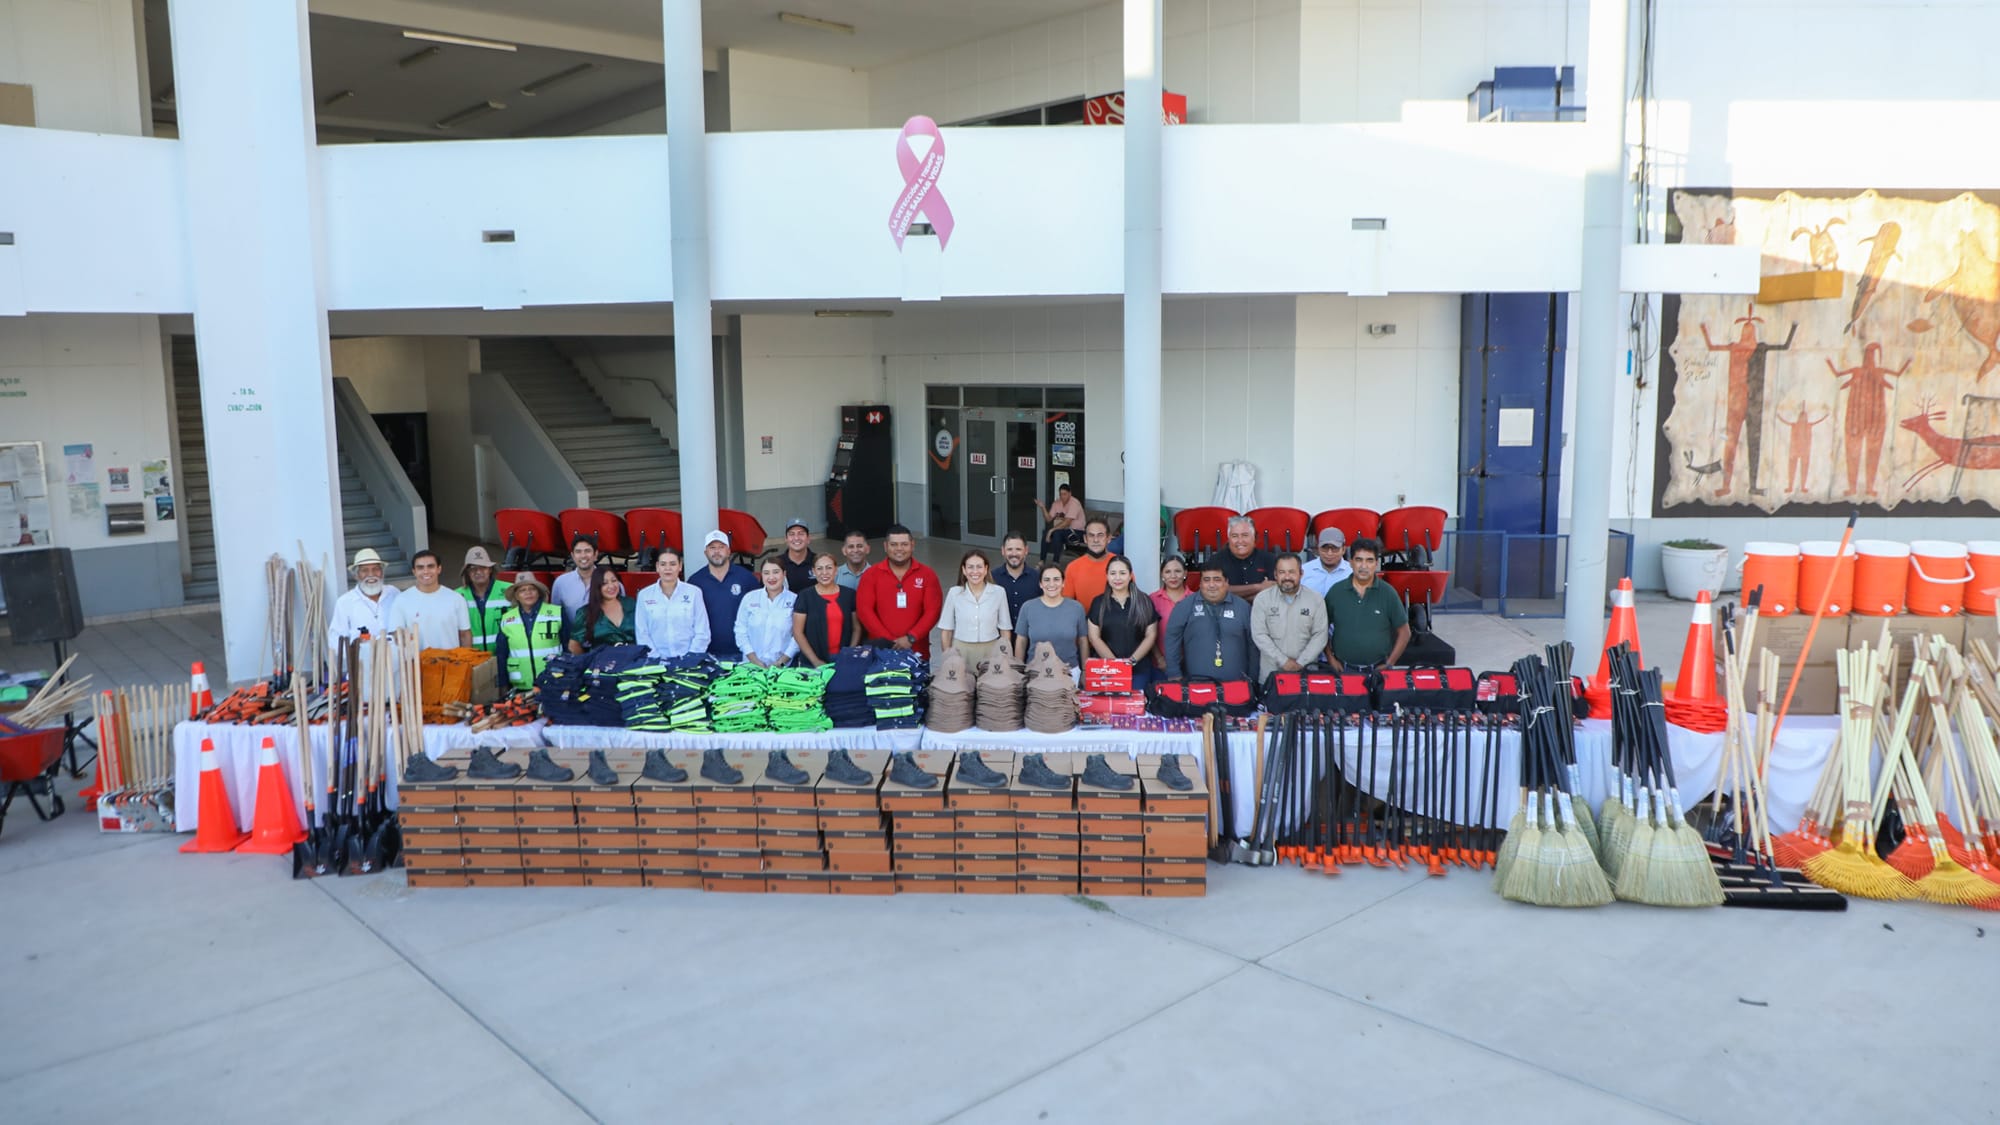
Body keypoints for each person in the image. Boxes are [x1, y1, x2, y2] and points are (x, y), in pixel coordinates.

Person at [855, 524, 943, 657]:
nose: (899, 549)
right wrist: (888, 640)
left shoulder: (927, 575)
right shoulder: (870, 575)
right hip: (881, 651)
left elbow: (933, 611)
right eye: (894, 544)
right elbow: (864, 611)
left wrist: (911, 637)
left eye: (904, 544)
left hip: (917, 650)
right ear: (886, 546)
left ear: (912, 545)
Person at [1324, 537, 1410, 670]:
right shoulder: (1336, 592)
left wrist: (1390, 663)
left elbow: (1405, 632)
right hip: (1344, 670)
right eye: (1359, 560)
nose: (1364, 566)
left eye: (1369, 560)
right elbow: (1320, 629)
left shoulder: (1388, 593)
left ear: (1376, 563)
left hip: (1378, 671)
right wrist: (1331, 660)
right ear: (1351, 562)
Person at [1163, 559, 1256, 681]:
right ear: (1200, 583)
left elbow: (1253, 646)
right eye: (1206, 580)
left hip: (1237, 686)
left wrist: (1253, 678)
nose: (1212, 585)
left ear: (1226, 582)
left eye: (1217, 580)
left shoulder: (1243, 608)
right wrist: (1174, 673)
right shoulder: (1184, 607)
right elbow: (1171, 641)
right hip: (1196, 686)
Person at [1251, 554, 1329, 680]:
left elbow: (1320, 635)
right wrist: (1283, 661)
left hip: (1306, 674)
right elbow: (1259, 635)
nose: (1287, 577)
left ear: (1301, 573)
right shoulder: (1263, 599)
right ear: (1275, 575)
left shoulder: (1315, 600)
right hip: (1271, 674)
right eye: (1282, 572)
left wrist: (1301, 663)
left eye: (1292, 572)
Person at [1087, 555, 1159, 690]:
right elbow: (1094, 637)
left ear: (1131, 575)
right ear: (1107, 576)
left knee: (1136, 708)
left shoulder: (1144, 601)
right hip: (1106, 670)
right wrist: (1117, 666)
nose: (1117, 578)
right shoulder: (1098, 603)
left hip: (1139, 669)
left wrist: (1131, 662)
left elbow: (1151, 634)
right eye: (1113, 573)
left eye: (1122, 573)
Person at [938, 550, 1013, 669]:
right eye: (970, 567)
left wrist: (1004, 656)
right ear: (964, 570)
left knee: (989, 687)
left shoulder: (998, 592)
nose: (975, 571)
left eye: (979, 567)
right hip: (961, 651)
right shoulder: (954, 593)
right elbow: (946, 631)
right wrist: (948, 658)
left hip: (991, 650)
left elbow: (1005, 630)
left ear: (986, 569)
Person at [687, 530, 755, 659]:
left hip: (743, 653)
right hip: (707, 653)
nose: (717, 551)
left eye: (721, 547)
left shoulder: (746, 578)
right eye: (712, 548)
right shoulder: (695, 581)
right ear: (705, 552)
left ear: (729, 551)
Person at [386, 549, 473, 650]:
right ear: (414, 571)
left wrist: (467, 661)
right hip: (417, 663)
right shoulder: (401, 600)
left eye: (430, 566)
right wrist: (399, 636)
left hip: (450, 663)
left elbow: (465, 635)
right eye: (420, 567)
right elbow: (396, 634)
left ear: (439, 569)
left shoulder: (456, 599)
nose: (426, 571)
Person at [634, 546, 709, 660]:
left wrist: (690, 658)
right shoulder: (644, 595)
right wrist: (656, 659)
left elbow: (702, 632)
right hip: (655, 662)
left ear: (680, 566)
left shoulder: (694, 592)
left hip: (689, 662)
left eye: (673, 564)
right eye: (663, 564)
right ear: (657, 567)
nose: (668, 568)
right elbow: (642, 633)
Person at [493, 576, 563, 691]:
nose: (528, 593)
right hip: (520, 686)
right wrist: (503, 684)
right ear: (516, 596)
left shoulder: (557, 612)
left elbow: (568, 647)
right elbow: (501, 654)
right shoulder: (507, 619)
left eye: (532, 589)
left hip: (553, 682)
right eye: (522, 590)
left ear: (539, 593)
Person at [1013, 563, 1088, 670]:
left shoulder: (1076, 608)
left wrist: (1085, 670)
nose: (1051, 584)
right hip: (1036, 672)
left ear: (1063, 583)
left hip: (1069, 671)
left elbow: (1083, 640)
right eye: (1047, 580)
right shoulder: (1028, 607)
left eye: (1056, 579)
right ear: (1040, 584)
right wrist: (1018, 670)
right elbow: (1021, 641)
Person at [792, 554, 859, 667]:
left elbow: (856, 628)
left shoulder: (849, 594)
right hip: (812, 662)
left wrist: (849, 653)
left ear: (836, 570)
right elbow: (798, 632)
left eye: (829, 567)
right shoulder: (805, 596)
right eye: (819, 568)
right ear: (813, 571)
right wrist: (815, 661)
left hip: (844, 659)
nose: (824, 572)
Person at [327, 547, 398, 653]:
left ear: (382, 573)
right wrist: (357, 644)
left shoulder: (394, 593)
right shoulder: (345, 602)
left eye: (376, 569)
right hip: (363, 666)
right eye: (364, 570)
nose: (371, 574)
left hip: (395, 664)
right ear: (356, 575)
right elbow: (335, 642)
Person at [734, 558, 799, 667]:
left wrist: (780, 662)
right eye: (766, 573)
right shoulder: (749, 598)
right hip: (751, 666)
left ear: (784, 574)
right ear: (761, 576)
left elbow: (798, 636)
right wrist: (755, 661)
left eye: (776, 572)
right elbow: (740, 630)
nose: (771, 577)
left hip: (783, 669)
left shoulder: (795, 600)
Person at [456, 546, 511, 654]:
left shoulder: (510, 591)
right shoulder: (456, 595)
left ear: (490, 570)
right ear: (467, 572)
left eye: (483, 567)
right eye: (473, 568)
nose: (478, 572)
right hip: (472, 659)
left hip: (505, 657)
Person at [570, 567, 636, 653]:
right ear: (597, 586)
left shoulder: (631, 603)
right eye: (604, 583)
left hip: (633, 660)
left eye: (614, 580)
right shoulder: (585, 612)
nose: (611, 586)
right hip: (600, 663)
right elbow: (574, 645)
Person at [549, 536, 604, 631]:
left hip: (604, 640)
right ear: (573, 556)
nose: (583, 556)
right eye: (578, 552)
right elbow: (556, 616)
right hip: (572, 640)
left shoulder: (609, 580)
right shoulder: (561, 583)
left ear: (595, 555)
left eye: (587, 551)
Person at [1218, 516, 1277, 600]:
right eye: (1234, 536)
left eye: (1245, 535)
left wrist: (1234, 593)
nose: (1240, 541)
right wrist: (1258, 587)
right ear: (1228, 539)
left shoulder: (1269, 559)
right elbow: (1217, 590)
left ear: (1254, 538)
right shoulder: (1216, 560)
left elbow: (1275, 590)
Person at [1060, 518, 1114, 609]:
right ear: (1085, 539)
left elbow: (1130, 599)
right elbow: (1067, 604)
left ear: (1108, 538)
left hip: (1114, 621)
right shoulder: (1073, 567)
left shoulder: (1121, 565)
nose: (1095, 540)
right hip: (1083, 621)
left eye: (1100, 535)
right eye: (1091, 535)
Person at [994, 532, 1040, 625]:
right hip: (999, 637)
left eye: (1018, 549)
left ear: (1026, 550)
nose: (1014, 554)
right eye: (1009, 549)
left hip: (1029, 637)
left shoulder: (1038, 578)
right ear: (1003, 551)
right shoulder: (992, 577)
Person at [1034, 482, 1086, 563]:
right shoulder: (1057, 503)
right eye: (1061, 494)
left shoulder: (1074, 503)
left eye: (1065, 494)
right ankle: (1042, 560)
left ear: (1070, 493)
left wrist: (1052, 530)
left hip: (1076, 532)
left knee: (1056, 533)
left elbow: (1067, 522)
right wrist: (1043, 507)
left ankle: (1055, 562)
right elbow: (1048, 519)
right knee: (1046, 532)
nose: (1062, 496)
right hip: (1064, 531)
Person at [1300, 528, 1353, 600]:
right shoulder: (1304, 571)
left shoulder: (1352, 572)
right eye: (1325, 548)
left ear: (1343, 549)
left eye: (1334, 548)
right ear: (1318, 548)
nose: (1329, 553)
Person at [777, 518, 817, 592]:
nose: (796, 538)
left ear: (808, 538)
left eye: (801, 533)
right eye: (792, 534)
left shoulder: (818, 561)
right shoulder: (776, 563)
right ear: (786, 539)